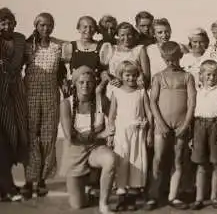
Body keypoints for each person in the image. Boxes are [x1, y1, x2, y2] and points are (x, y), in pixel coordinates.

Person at [59, 66, 116, 214]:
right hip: (75, 152)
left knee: (110, 159)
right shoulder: (66, 104)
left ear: (94, 84)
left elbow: (115, 119)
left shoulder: (101, 100)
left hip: (95, 149)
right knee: (78, 205)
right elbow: (70, 137)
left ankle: (104, 203)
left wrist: (111, 134)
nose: (85, 86)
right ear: (75, 83)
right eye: (81, 82)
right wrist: (100, 134)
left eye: (89, 82)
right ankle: (89, 187)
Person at [146, 41, 196, 210]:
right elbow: (152, 102)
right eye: (167, 60)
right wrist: (160, 123)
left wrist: (186, 124)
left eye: (174, 59)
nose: (171, 63)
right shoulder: (158, 77)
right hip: (162, 125)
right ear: (162, 58)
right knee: (158, 158)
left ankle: (173, 196)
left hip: (181, 124)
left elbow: (191, 103)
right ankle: (153, 195)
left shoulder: (187, 76)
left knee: (178, 159)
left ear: (180, 56)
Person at [22, 13, 66, 198]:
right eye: (41, 25)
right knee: (31, 135)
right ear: (36, 25)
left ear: (53, 26)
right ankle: (29, 180)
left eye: (49, 25)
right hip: (30, 93)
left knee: (48, 136)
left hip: (50, 93)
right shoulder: (27, 45)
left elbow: (63, 70)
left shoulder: (59, 46)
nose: (45, 29)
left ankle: (42, 179)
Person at [108, 60, 153, 211]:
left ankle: (132, 199)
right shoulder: (117, 92)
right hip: (121, 133)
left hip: (138, 132)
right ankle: (121, 198)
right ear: (121, 75)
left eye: (134, 75)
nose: (131, 78)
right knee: (122, 163)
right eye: (127, 75)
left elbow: (148, 112)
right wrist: (110, 133)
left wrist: (149, 131)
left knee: (137, 162)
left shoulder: (141, 91)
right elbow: (112, 114)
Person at [190, 60, 217, 210]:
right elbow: (192, 113)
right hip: (199, 126)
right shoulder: (197, 91)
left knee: (216, 163)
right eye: (208, 75)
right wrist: (191, 136)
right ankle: (199, 198)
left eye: (214, 75)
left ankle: (214, 196)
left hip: (216, 126)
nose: (211, 78)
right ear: (201, 75)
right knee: (201, 164)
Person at [0, 7, 28, 201]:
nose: (7, 26)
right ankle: (6, 186)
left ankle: (10, 184)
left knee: (19, 134)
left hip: (17, 89)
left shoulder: (20, 39)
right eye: (3, 22)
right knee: (4, 138)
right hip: (0, 90)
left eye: (10, 22)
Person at [101, 22, 151, 96]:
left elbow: (146, 77)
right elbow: (106, 72)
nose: (126, 38)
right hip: (113, 90)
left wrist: (139, 79)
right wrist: (106, 75)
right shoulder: (112, 49)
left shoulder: (140, 49)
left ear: (134, 35)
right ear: (117, 35)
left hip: (133, 91)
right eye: (122, 35)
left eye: (129, 35)